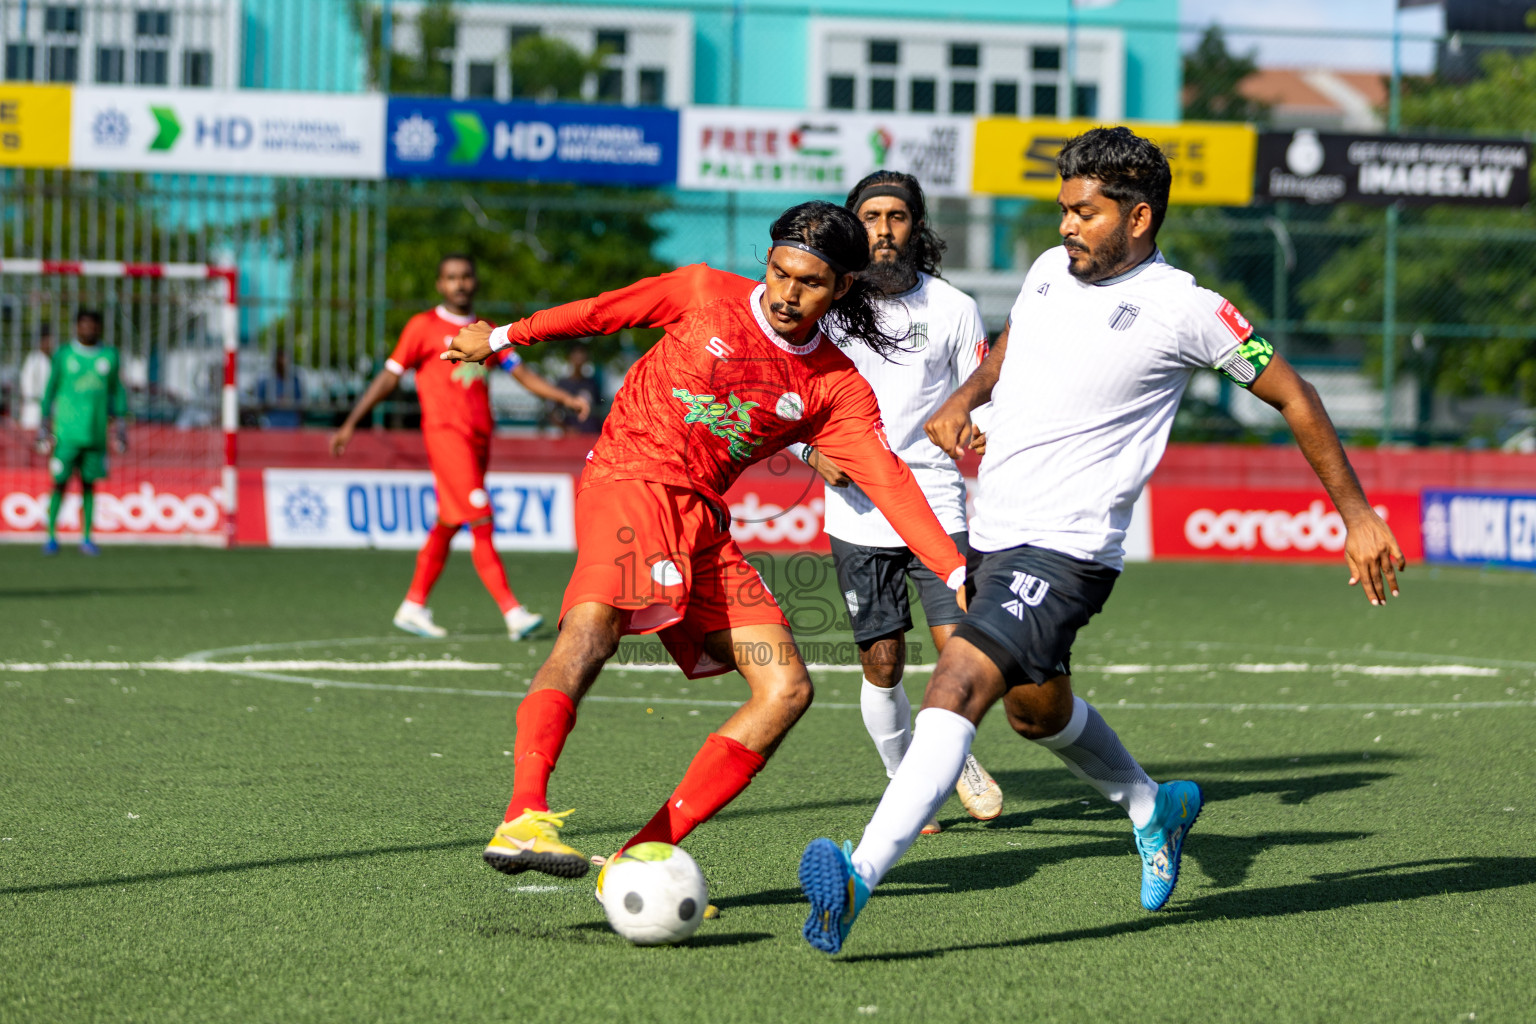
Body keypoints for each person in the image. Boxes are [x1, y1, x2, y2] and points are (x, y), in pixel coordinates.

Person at [798, 127, 1407, 954]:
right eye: (1063, 210)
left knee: (958, 681)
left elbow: (1294, 395)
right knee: (1035, 713)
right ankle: (1156, 807)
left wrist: (1358, 514)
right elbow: (1017, 338)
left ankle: (856, 878)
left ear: (1140, 217)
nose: (1066, 227)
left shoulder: (1189, 309)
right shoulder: (1054, 271)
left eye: (1084, 213)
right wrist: (967, 397)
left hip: (1068, 549)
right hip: (997, 536)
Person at [438, 201, 968, 883]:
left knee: (784, 690)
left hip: (702, 523)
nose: (786, 293)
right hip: (631, 479)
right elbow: (601, 312)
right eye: (779, 273)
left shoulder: (836, 389)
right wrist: (508, 335)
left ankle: (633, 860)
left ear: (840, 289)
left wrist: (956, 573)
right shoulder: (701, 293)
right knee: (593, 630)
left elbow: (892, 484)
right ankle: (522, 817)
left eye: (809, 283)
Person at [794, 171, 1001, 833]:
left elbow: (984, 398)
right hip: (856, 510)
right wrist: (809, 452)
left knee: (959, 650)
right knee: (882, 663)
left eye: (898, 216)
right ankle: (902, 773)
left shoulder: (954, 308)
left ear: (918, 226)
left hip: (935, 501)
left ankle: (949, 757)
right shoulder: (823, 303)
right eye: (872, 215)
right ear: (853, 226)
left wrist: (982, 431)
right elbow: (782, 395)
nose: (884, 229)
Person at [330, 254, 591, 641]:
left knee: (450, 521)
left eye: (466, 276)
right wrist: (352, 423)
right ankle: (512, 611)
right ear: (440, 284)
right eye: (451, 277)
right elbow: (389, 377)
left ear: (475, 281)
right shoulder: (421, 327)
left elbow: (519, 372)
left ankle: (413, 606)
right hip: (445, 435)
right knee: (480, 515)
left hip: (479, 438)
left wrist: (563, 398)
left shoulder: (485, 331)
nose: (459, 284)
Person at [36, 310, 127, 557]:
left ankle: (87, 537)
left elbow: (117, 391)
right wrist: (43, 422)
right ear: (77, 326)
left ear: (98, 328)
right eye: (83, 324)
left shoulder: (109, 356)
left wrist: (120, 424)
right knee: (59, 483)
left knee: (90, 485)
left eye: (92, 325)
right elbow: (50, 389)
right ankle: (51, 536)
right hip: (65, 433)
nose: (88, 329)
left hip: (96, 434)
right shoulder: (64, 355)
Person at [550, 342, 603, 435]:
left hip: (591, 435)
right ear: (569, 357)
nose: (579, 357)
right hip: (571, 439)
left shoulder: (591, 383)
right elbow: (553, 412)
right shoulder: (562, 384)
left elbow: (599, 409)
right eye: (576, 353)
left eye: (582, 353)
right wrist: (566, 429)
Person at [254, 345, 304, 429]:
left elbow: (300, 403)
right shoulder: (267, 381)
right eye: (281, 359)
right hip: (272, 424)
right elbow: (259, 403)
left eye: (286, 359)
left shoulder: (294, 381)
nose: (284, 362)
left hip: (291, 425)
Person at [18, 324, 54, 430]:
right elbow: (27, 388)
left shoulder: (49, 360)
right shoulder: (34, 360)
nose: (51, 344)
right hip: (34, 412)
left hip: (46, 410)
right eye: (49, 340)